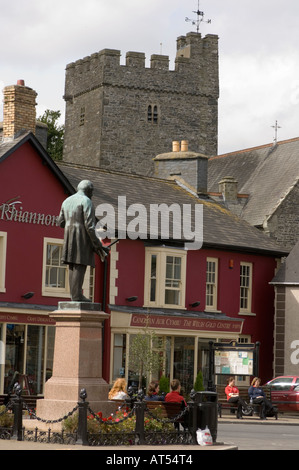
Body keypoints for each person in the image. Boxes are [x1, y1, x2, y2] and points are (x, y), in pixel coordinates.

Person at [58, 180, 109, 302]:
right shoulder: (86, 201)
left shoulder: (66, 201)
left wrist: (71, 222)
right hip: (81, 237)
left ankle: (74, 295)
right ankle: (77, 296)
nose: (92, 194)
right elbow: (90, 227)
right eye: (92, 192)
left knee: (72, 264)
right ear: (88, 190)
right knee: (80, 265)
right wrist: (98, 244)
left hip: (69, 237)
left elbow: (60, 222)